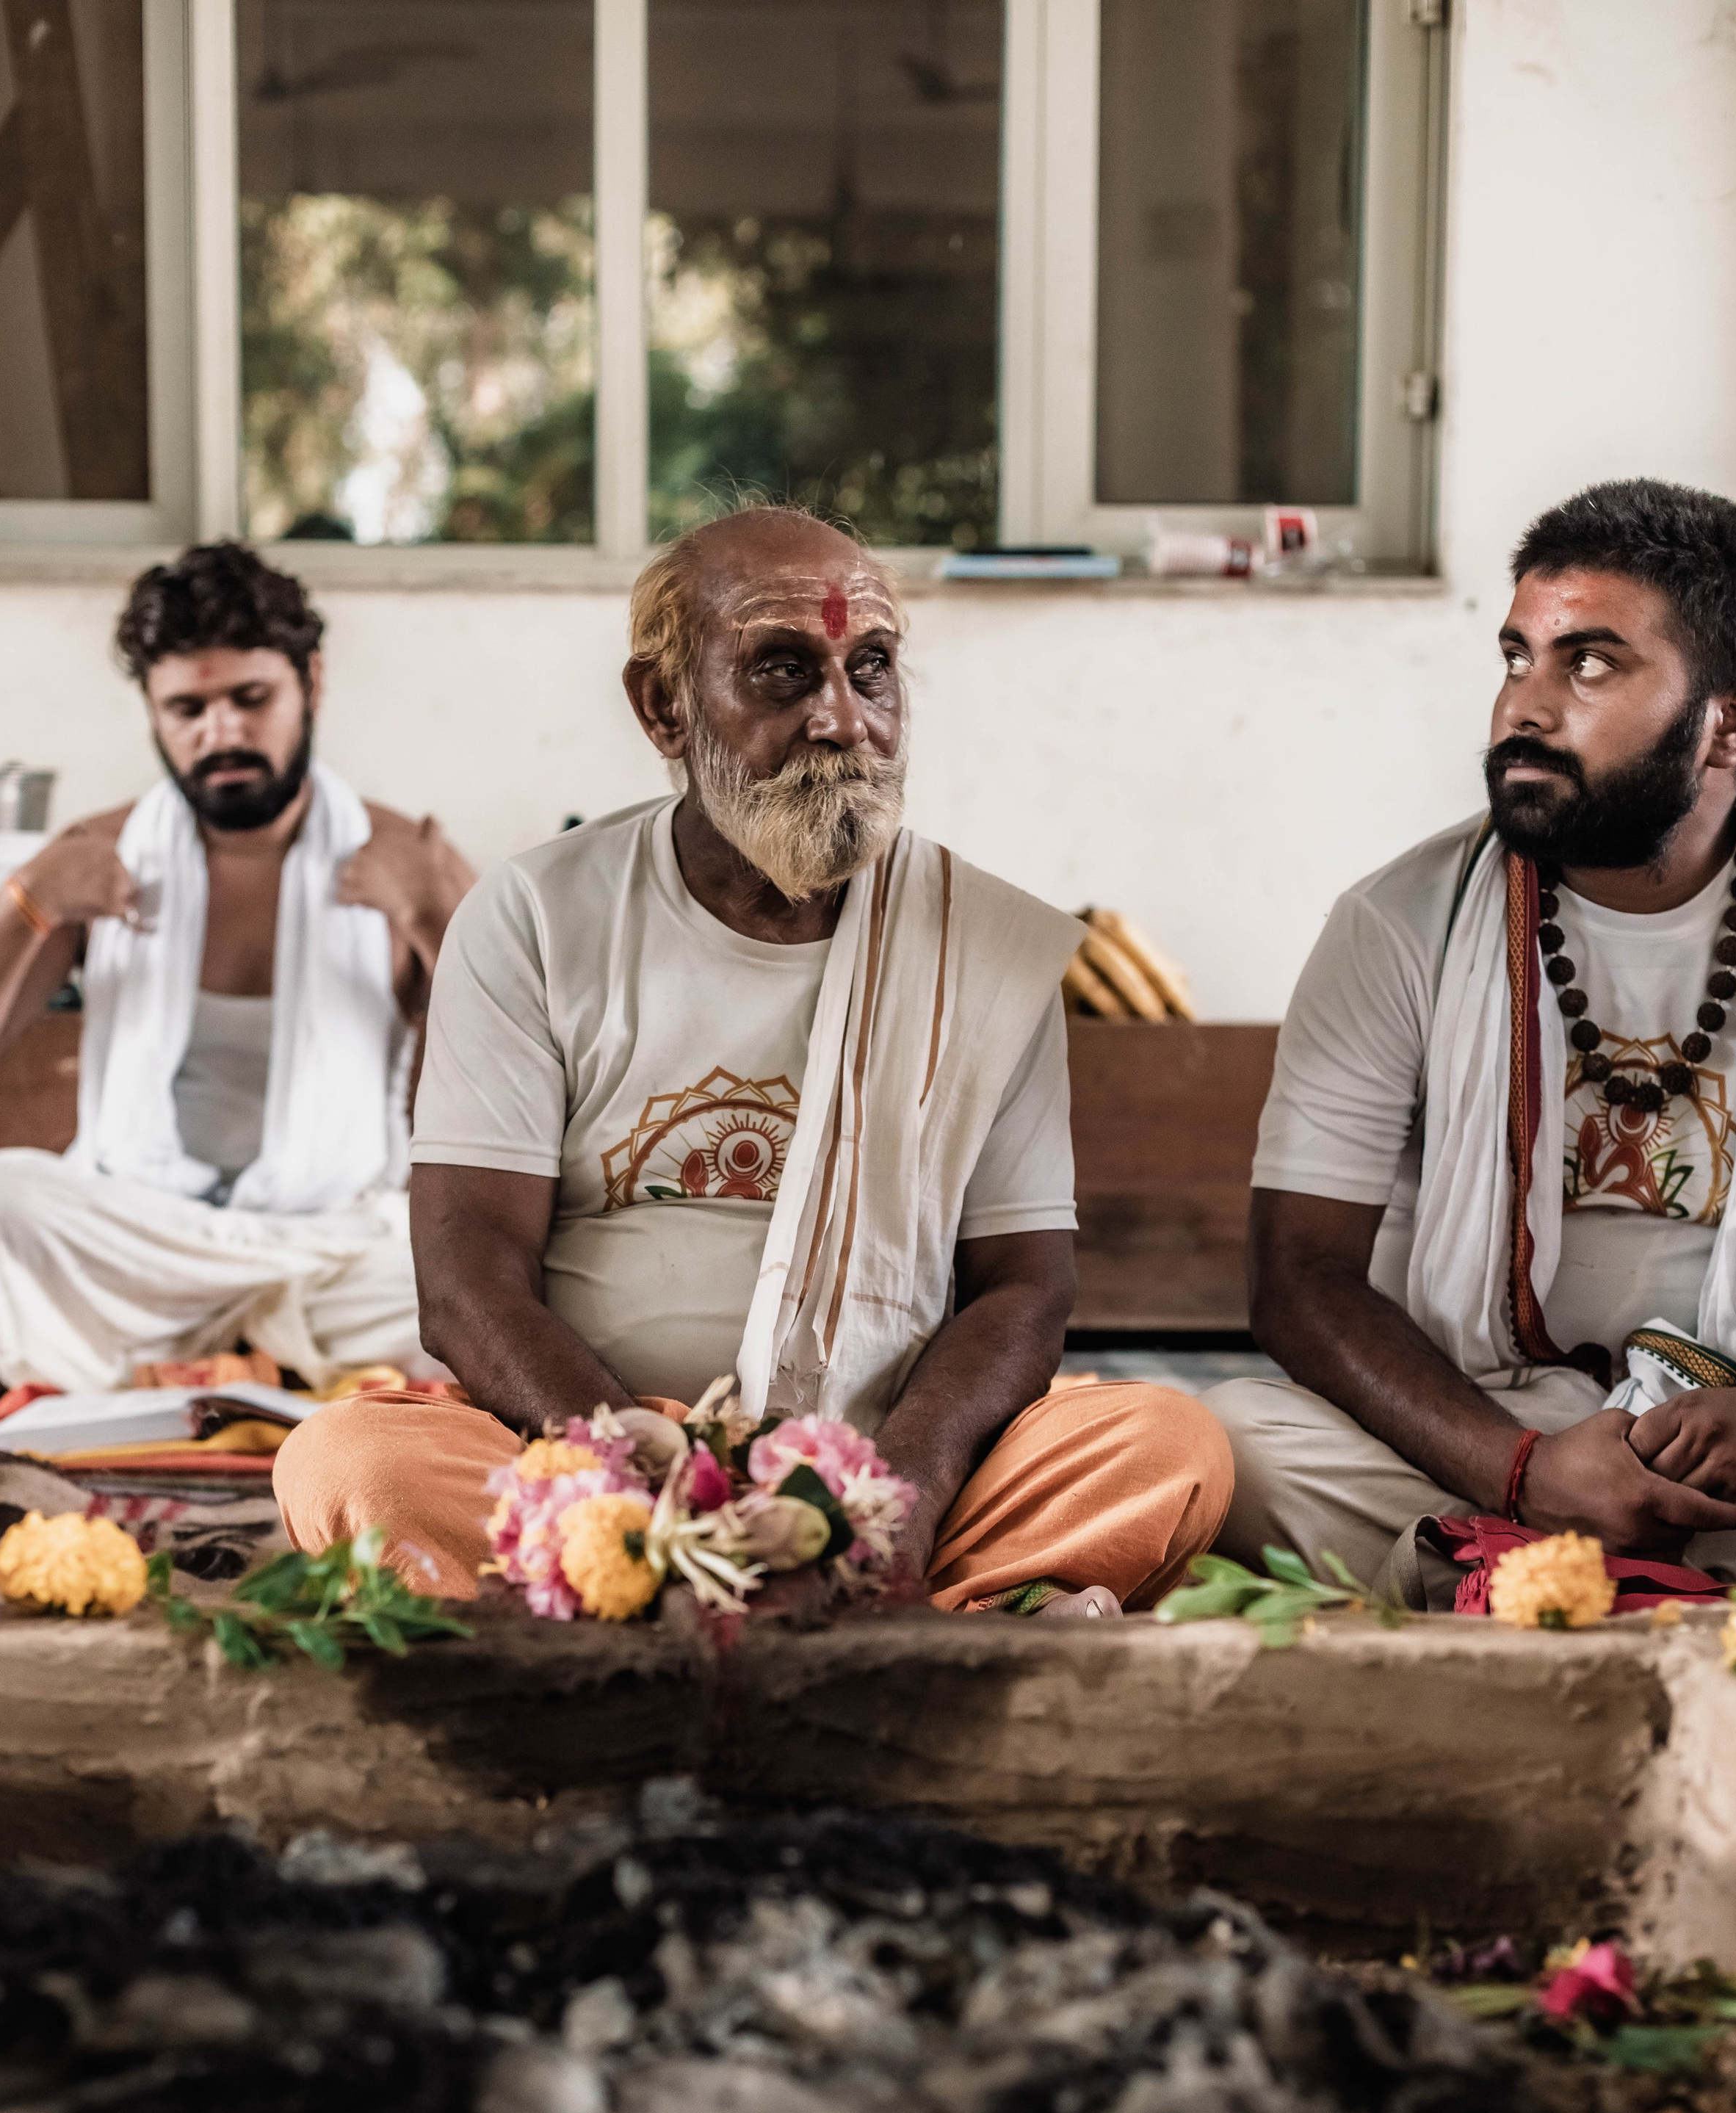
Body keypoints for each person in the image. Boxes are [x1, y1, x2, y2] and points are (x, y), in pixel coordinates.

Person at [275, 505, 1229, 1614]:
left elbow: (1022, 1289)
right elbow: (466, 1272)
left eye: (870, 669)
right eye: (781, 670)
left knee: (1169, 1445)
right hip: (592, 1454)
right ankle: (880, 1631)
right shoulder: (536, 917)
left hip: (880, 1459)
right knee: (348, 1464)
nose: (842, 719)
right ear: (663, 707)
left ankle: (684, 1613)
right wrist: (631, 1466)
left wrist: (897, 1498)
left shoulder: (985, 948)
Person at [1211, 477, 1736, 1588]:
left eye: (1588, 665)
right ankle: (1585, 1578)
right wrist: (1525, 1471)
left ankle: (1503, 1587)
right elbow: (1300, 1276)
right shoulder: (1396, 925)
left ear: (1730, 721)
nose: (1523, 709)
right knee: (1232, 1445)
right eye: (1518, 658)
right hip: (1489, 1435)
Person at [0, 541, 474, 1401]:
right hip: (144, 1237)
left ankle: (107, 1366)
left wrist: (432, 917)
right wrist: (31, 899)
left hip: (334, 1247)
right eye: (188, 709)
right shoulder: (100, 857)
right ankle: (269, 1367)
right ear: (152, 712)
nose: (222, 733)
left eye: (251, 699)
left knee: (487, 1277)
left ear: (310, 683)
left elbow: (531, 1072)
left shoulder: (401, 859)